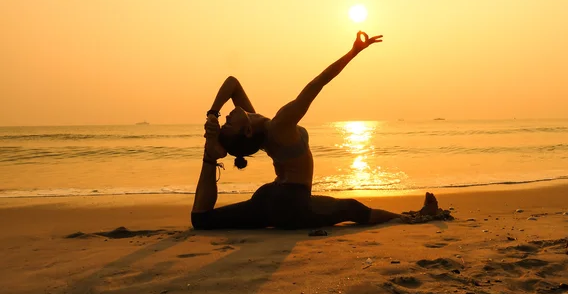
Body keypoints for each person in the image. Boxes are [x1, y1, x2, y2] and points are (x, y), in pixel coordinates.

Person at [191, 31, 452, 230]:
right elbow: (318, 82)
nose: (227, 115)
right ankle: (412, 219)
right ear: (246, 131)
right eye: (227, 122)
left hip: (268, 199)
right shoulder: (280, 124)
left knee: (204, 220)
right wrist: (354, 53)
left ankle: (209, 157)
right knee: (352, 208)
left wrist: (212, 113)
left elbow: (233, 83)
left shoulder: (260, 131)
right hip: (293, 203)